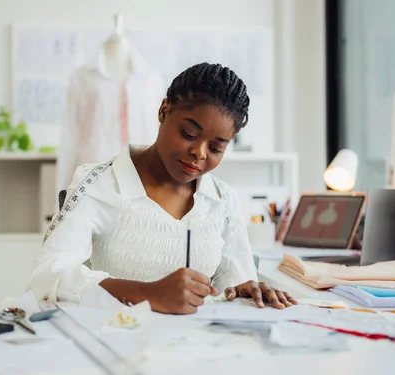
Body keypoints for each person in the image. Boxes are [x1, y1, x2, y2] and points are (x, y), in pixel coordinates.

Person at [28, 62, 297, 314]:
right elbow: (48, 275)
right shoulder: (97, 183)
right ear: (164, 111)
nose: (199, 153)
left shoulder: (223, 199)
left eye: (215, 148)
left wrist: (245, 290)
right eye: (189, 135)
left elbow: (232, 286)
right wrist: (150, 294)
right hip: (116, 345)